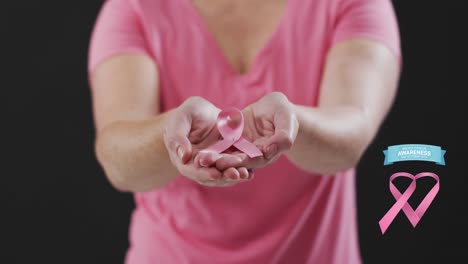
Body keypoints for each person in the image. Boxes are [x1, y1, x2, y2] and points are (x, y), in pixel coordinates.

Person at [88, 0, 401, 263]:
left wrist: (293, 123)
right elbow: (119, 162)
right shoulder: (135, 8)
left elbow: (351, 134)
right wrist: (170, 135)